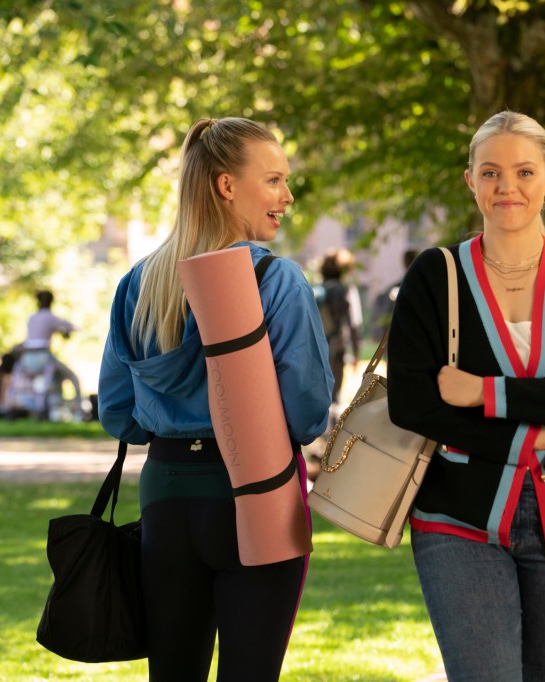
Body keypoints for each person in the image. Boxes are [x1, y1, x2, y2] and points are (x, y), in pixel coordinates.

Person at [387, 110, 545, 681]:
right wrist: (539, 432)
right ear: (469, 180)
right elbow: (414, 404)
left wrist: (483, 392)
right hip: (458, 517)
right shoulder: (436, 276)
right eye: (491, 172)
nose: (508, 187)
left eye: (524, 172)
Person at [98, 117, 333, 681]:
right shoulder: (276, 280)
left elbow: (117, 414)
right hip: (257, 494)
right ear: (227, 186)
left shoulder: (140, 282)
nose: (288, 195)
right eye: (274, 180)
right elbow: (306, 416)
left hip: (166, 500)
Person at [20, 290, 83, 416]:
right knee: (72, 378)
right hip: (43, 358)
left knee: (56, 378)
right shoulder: (50, 317)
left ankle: (54, 412)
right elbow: (74, 327)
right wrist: (65, 332)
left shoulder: (32, 318)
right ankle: (79, 413)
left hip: (26, 359)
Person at [317, 247, 361, 404]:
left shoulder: (318, 288)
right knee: (335, 394)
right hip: (337, 346)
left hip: (318, 347)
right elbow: (354, 323)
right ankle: (334, 426)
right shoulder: (345, 290)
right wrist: (356, 352)